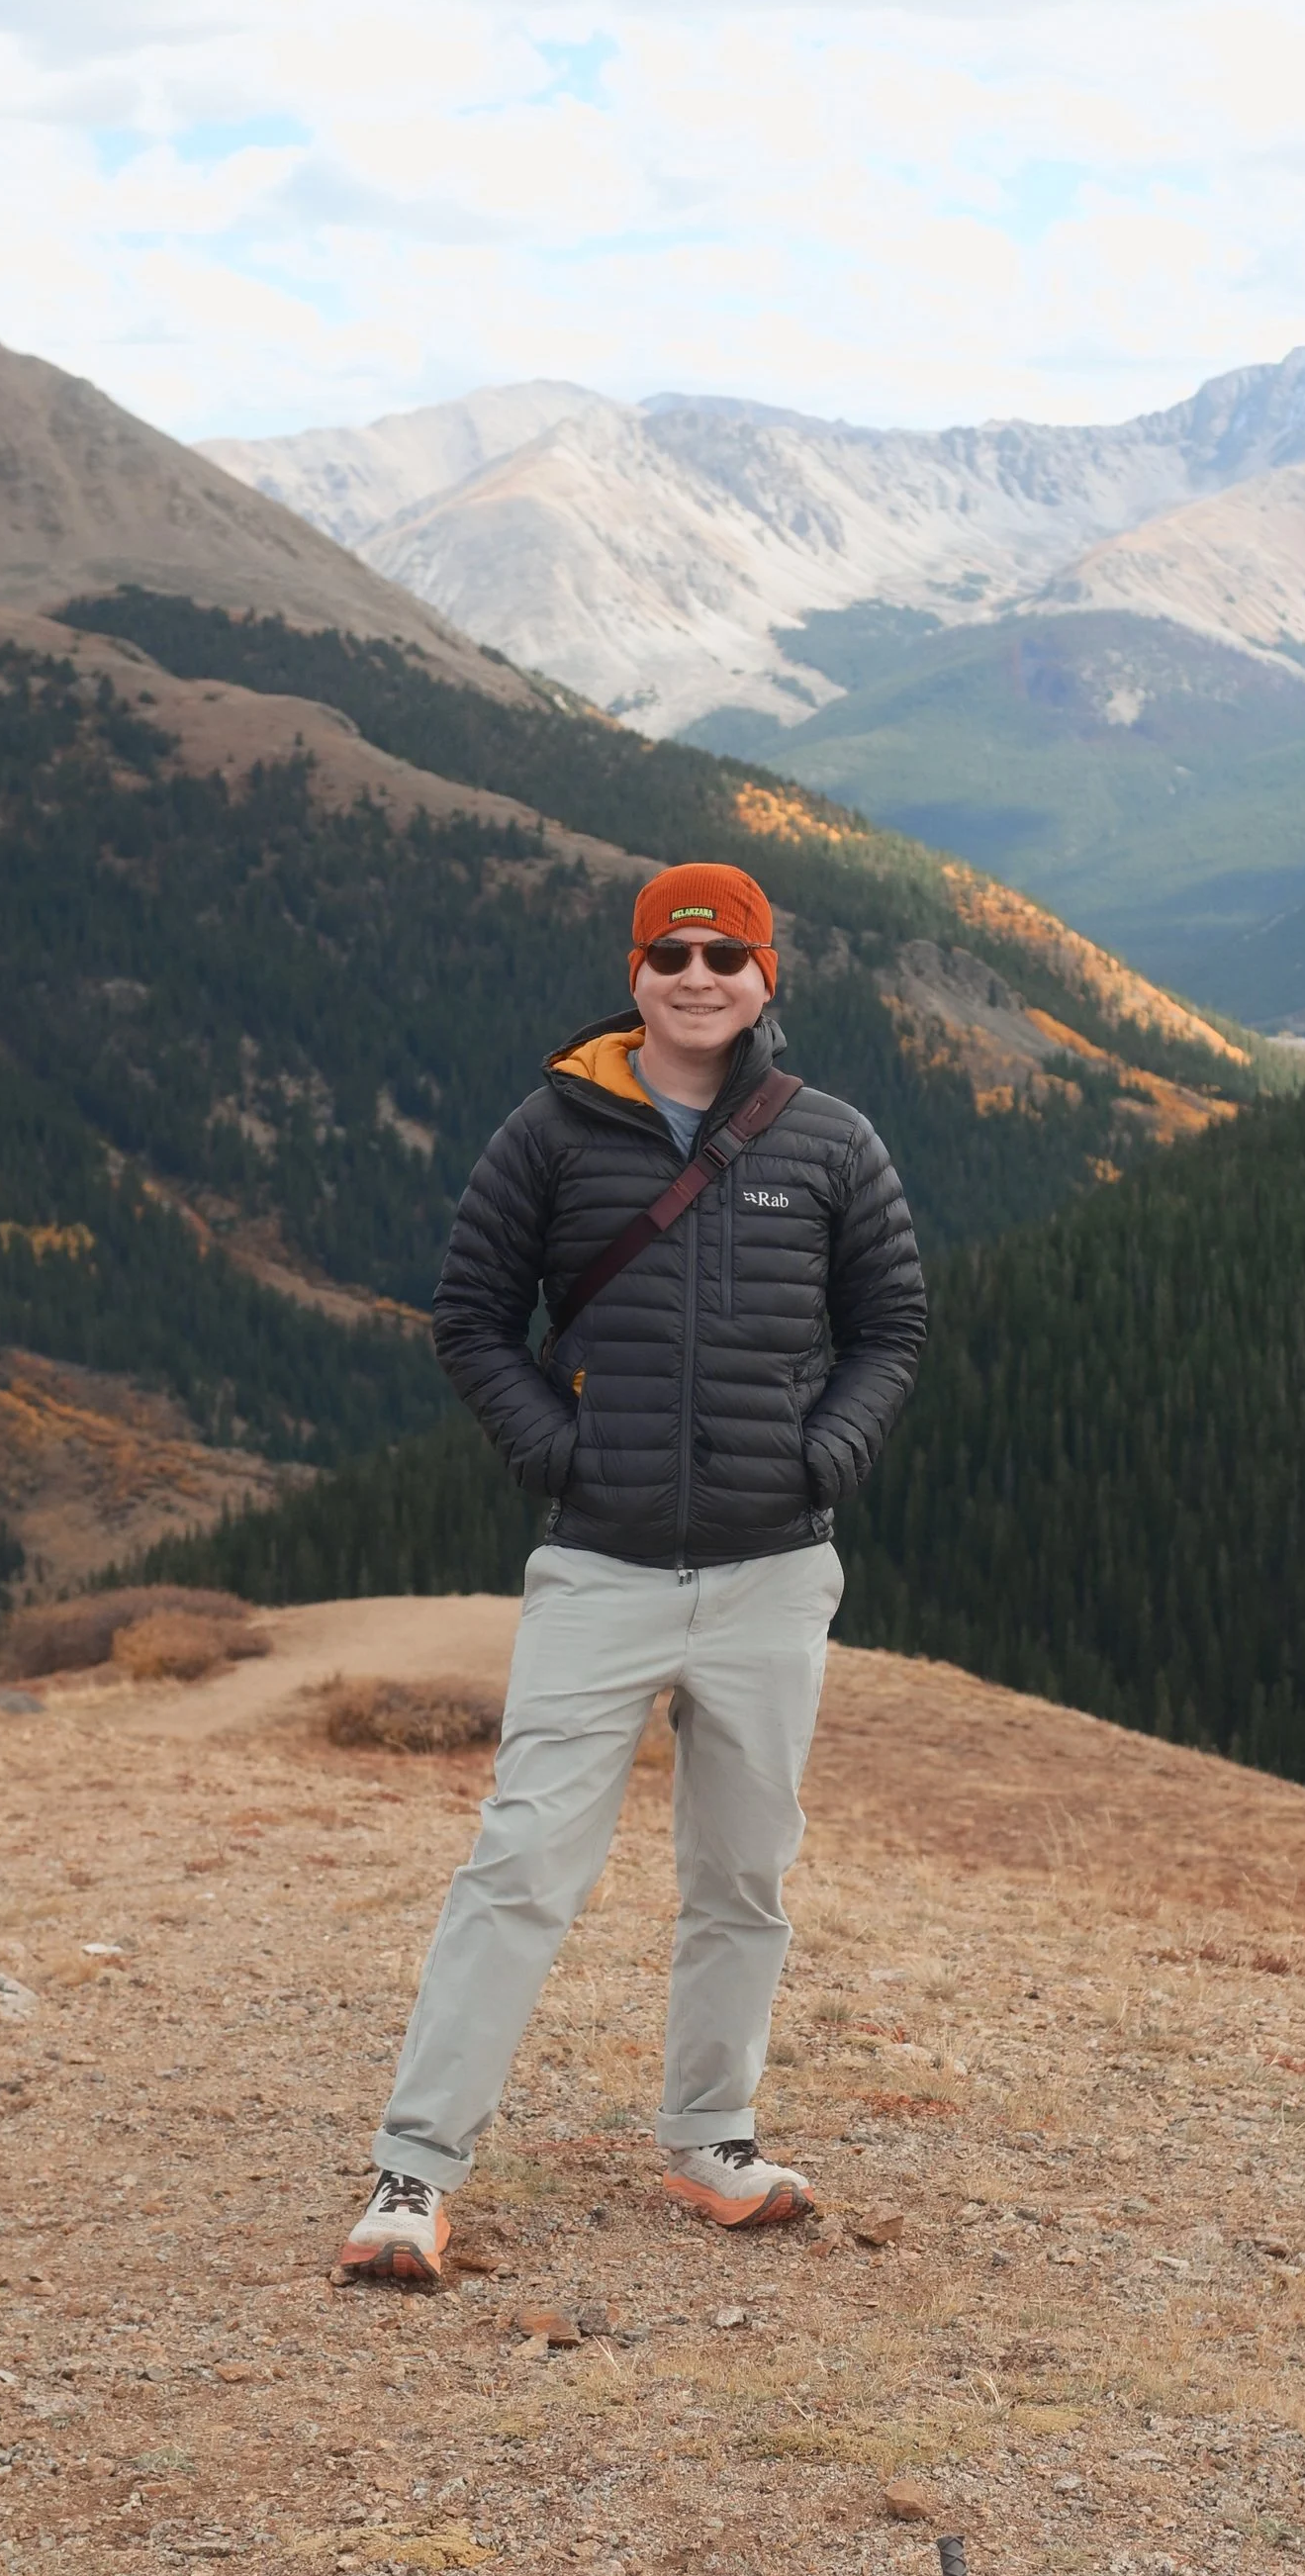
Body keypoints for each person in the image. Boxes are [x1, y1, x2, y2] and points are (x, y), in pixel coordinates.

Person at [340, 863, 927, 2282]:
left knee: (744, 1871)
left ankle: (710, 2138)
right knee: (521, 1864)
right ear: (636, 969)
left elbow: (891, 1327)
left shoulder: (833, 1143)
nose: (699, 976)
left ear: (765, 977)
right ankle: (412, 2174)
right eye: (673, 954)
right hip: (600, 1567)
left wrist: (822, 1458)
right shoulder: (551, 1130)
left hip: (774, 1570)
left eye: (728, 956)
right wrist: (563, 1455)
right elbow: (471, 1316)